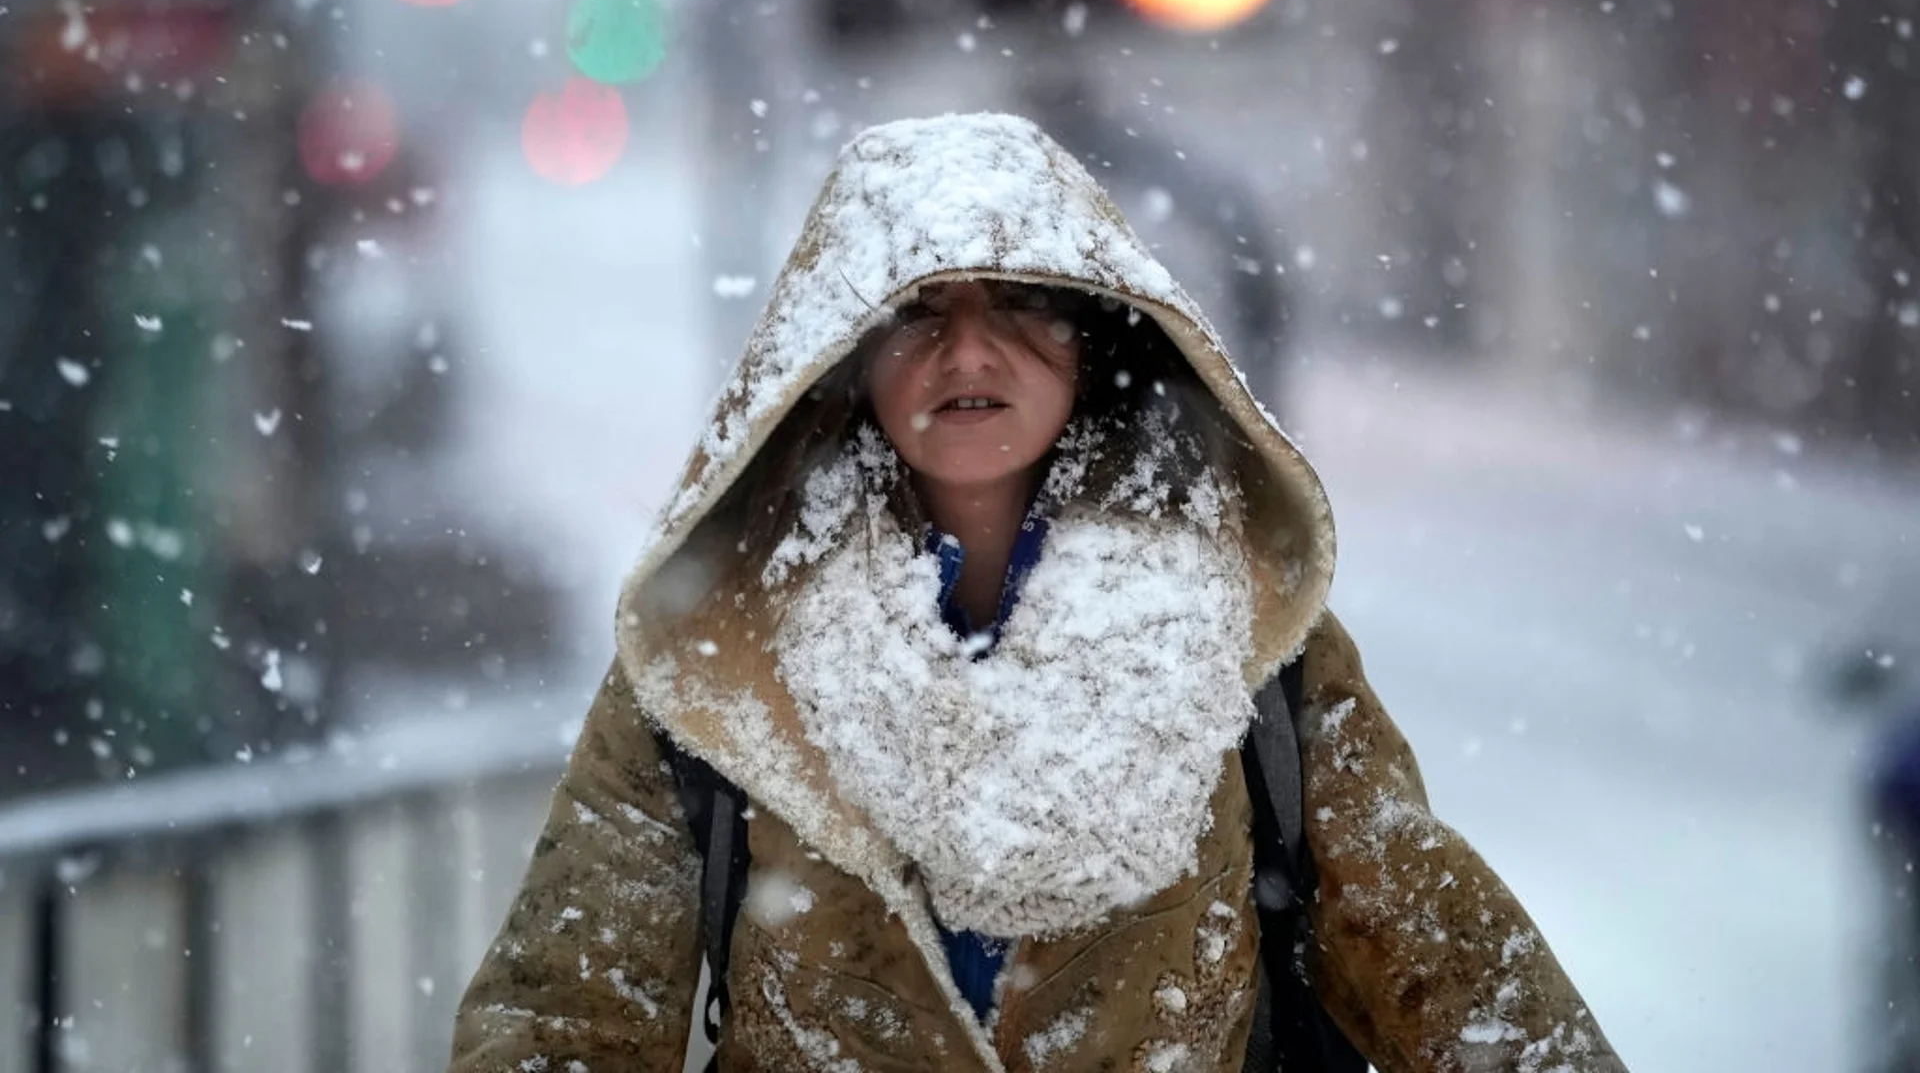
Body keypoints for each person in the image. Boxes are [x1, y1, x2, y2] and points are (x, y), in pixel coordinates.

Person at [446, 113, 1628, 1073]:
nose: (969, 355)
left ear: (1095, 338)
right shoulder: (715, 665)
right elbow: (565, 1024)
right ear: (842, 358)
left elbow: (1459, 978)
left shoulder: (1250, 642)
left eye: (1020, 304)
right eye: (916, 313)